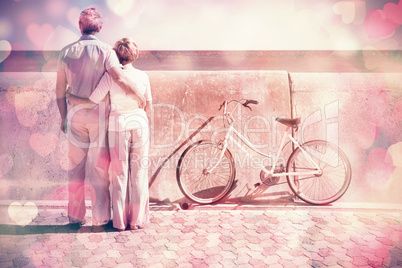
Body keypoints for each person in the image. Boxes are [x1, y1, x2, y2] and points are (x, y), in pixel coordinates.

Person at [56, 8, 145, 229]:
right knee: (99, 169)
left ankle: (76, 217)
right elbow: (119, 77)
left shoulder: (66, 52)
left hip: (75, 116)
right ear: (100, 27)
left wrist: (63, 117)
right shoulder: (107, 51)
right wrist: (140, 94)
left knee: (75, 169)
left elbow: (59, 91)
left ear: (79, 25)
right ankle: (100, 217)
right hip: (99, 118)